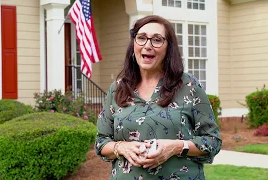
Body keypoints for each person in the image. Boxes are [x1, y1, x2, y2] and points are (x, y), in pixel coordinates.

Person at [95, 15, 222, 180]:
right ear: (134, 43)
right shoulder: (118, 89)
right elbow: (101, 142)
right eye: (141, 38)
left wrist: (176, 147)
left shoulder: (188, 86)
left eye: (157, 40)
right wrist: (122, 147)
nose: (148, 45)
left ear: (168, 48)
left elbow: (212, 141)